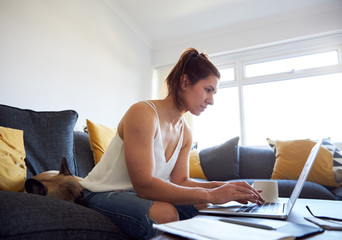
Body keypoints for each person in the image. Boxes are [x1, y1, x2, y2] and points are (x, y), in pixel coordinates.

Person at [80, 48, 264, 239]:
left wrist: (227, 188)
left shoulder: (185, 132)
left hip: (134, 195)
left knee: (203, 204)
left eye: (214, 93)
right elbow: (144, 185)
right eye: (208, 90)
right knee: (166, 212)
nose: (211, 101)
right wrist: (210, 194)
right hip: (103, 193)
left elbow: (181, 181)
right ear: (185, 82)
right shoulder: (143, 113)